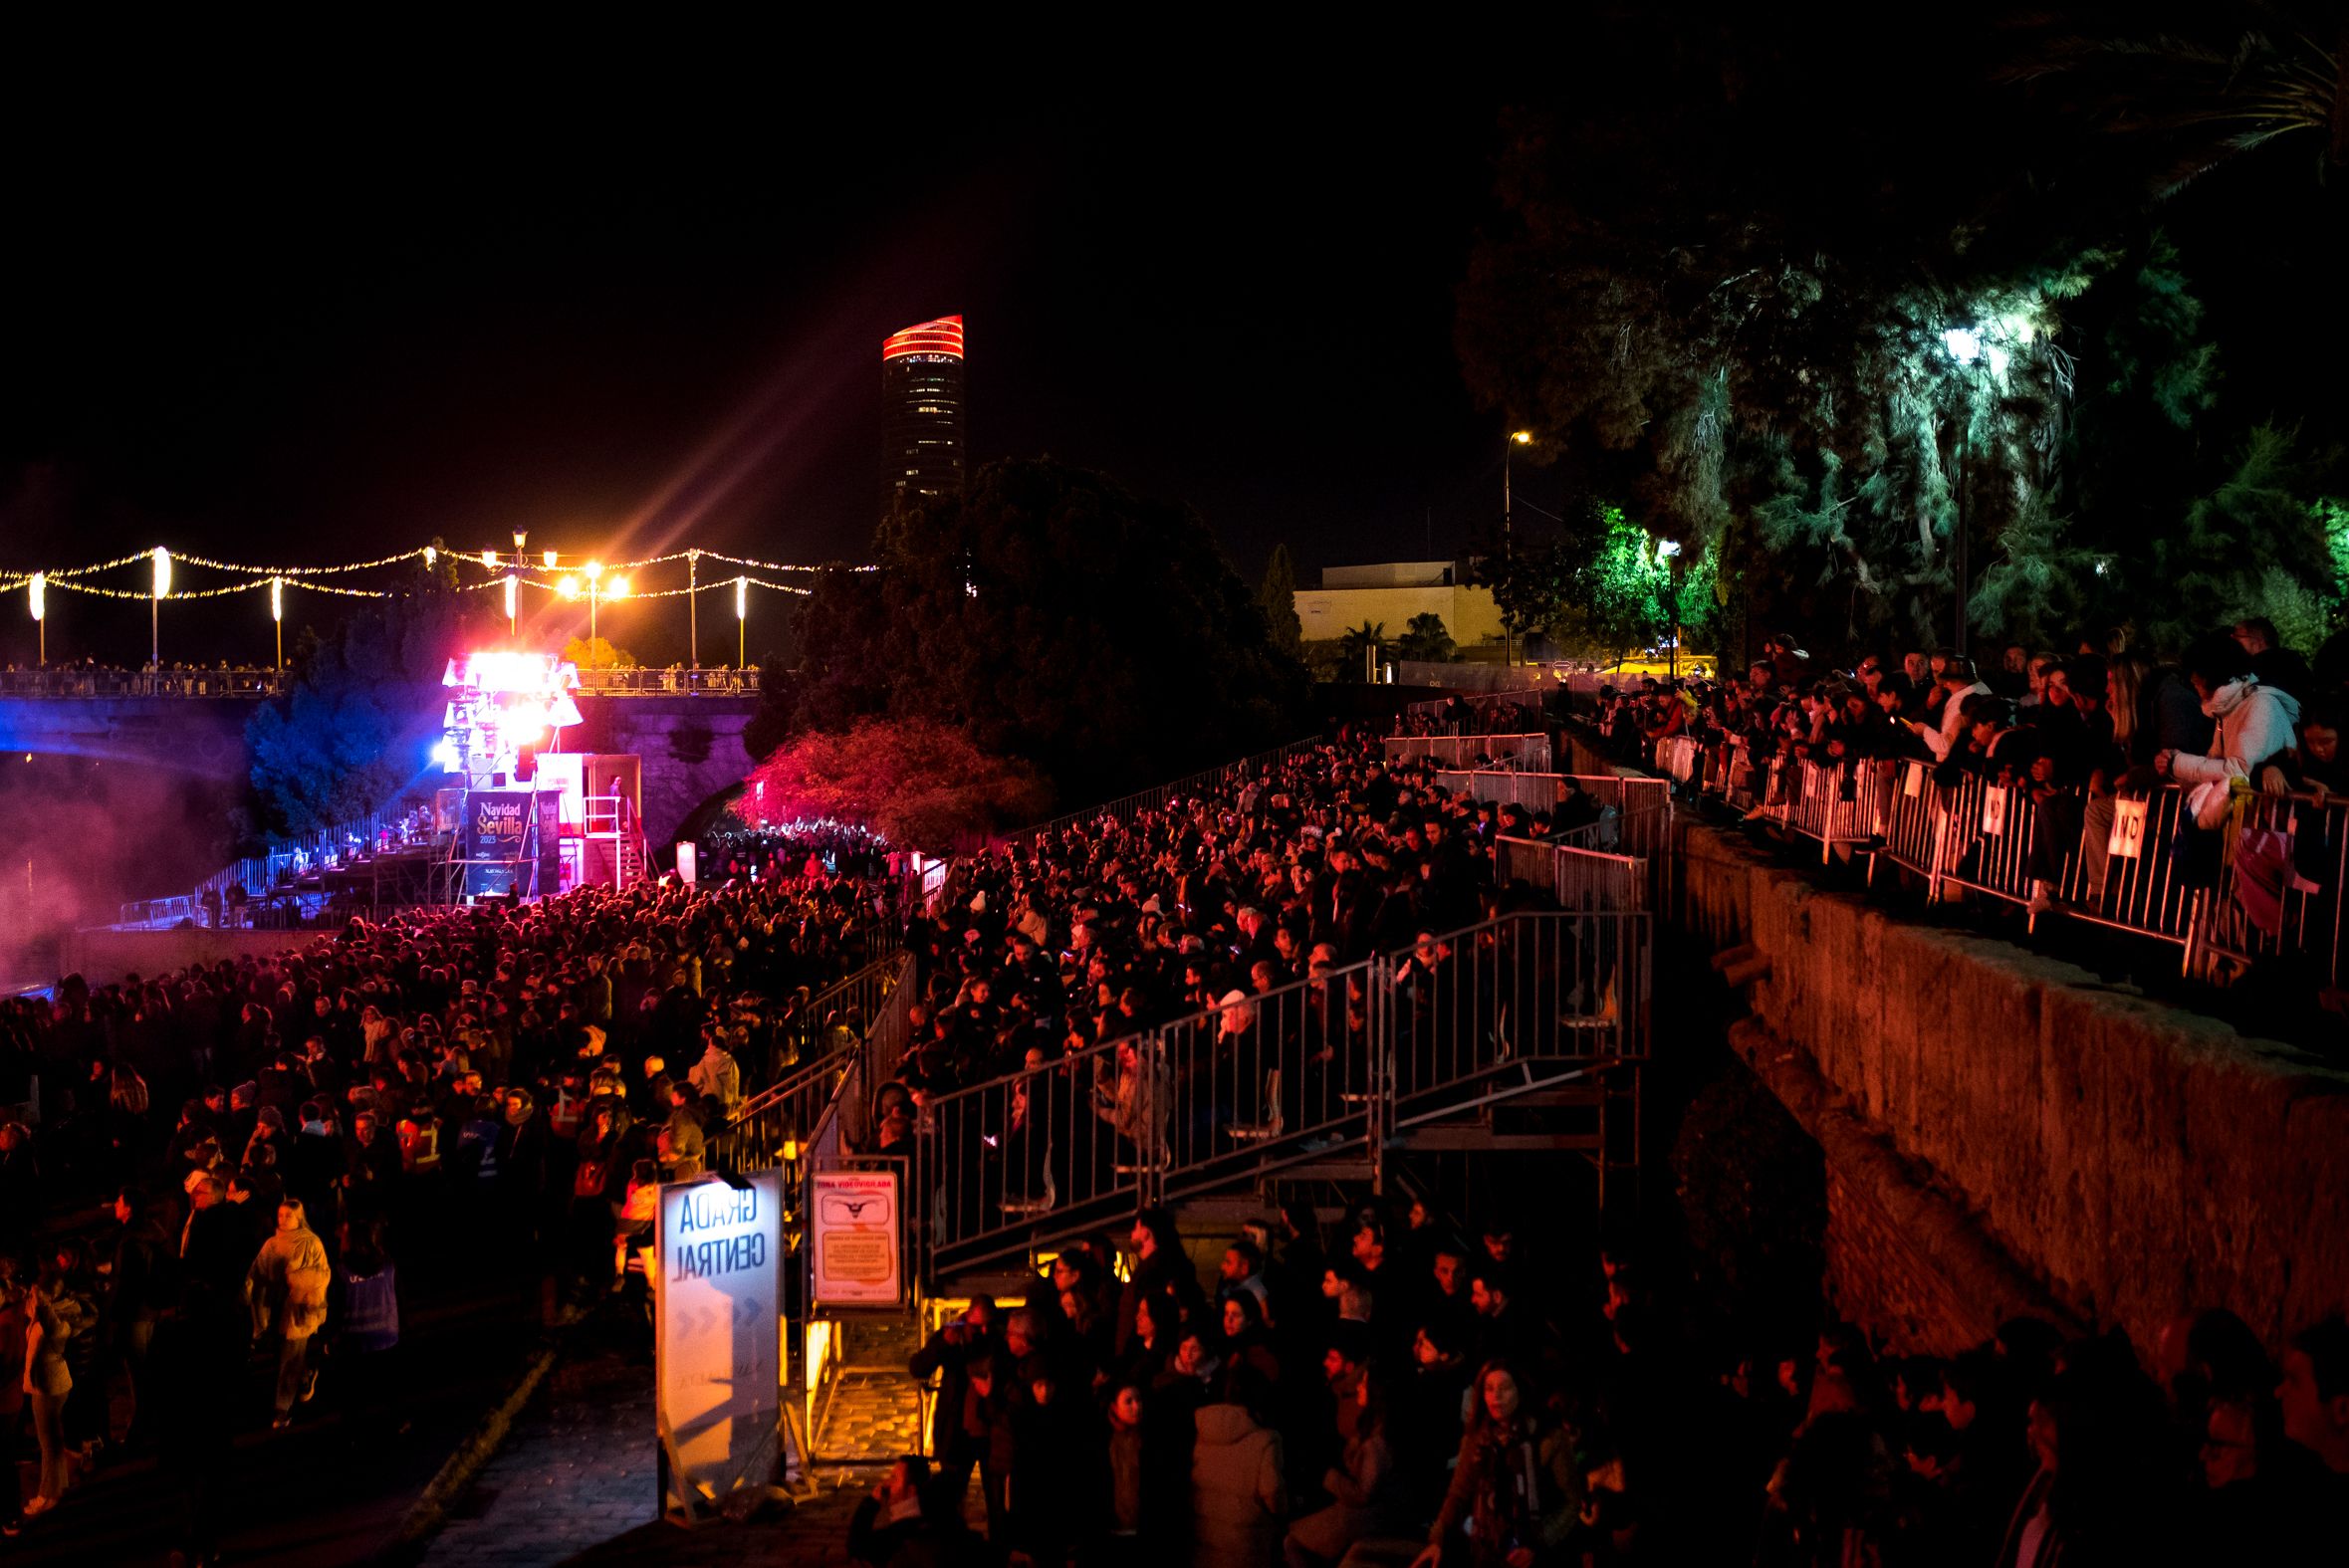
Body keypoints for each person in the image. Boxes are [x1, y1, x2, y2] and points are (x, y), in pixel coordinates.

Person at [1414, 1361, 1580, 1568]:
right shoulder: (1477, 1440)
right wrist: (1438, 1540)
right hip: (1485, 1549)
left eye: (1505, 1388)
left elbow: (1572, 1503)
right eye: (1489, 1389)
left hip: (1536, 1553)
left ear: (1520, 1390)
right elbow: (1458, 1494)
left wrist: (1538, 1544)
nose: (1496, 1397)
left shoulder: (1548, 1438)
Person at [245, 1197, 333, 1429]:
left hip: (299, 1311)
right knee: (282, 1355)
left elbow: (322, 1276)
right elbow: (257, 1274)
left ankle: (282, 1410)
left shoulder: (311, 1243)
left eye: (289, 1215)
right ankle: (306, 1374)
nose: (283, 1219)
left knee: (289, 1361)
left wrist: (298, 1280)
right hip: (276, 1309)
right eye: (280, 1215)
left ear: (299, 1217)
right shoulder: (272, 1244)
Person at [1191, 1367, 1288, 1568]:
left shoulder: (1205, 1432)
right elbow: (1273, 1495)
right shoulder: (1266, 1440)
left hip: (1206, 1540)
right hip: (1247, 1546)